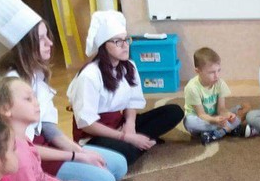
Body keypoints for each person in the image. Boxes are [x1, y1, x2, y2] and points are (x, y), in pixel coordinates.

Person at [0, 0, 127, 181]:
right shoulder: (9, 85)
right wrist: (75, 156)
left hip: (46, 147)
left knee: (118, 165)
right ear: (26, 45)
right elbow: (22, 149)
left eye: (47, 37)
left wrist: (80, 152)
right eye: (42, 39)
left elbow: (49, 128)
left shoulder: (35, 73)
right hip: (25, 159)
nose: (50, 43)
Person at [67, 11, 184, 166]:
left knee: (174, 111)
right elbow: (87, 124)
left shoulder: (129, 66)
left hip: (120, 125)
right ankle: (137, 144)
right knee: (127, 153)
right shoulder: (89, 76)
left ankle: (137, 143)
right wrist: (126, 137)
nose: (125, 45)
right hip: (94, 135)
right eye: (117, 41)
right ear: (103, 46)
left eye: (126, 39)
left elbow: (131, 102)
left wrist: (130, 126)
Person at [183, 46, 243, 145]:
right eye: (211, 72)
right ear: (198, 71)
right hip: (200, 119)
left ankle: (215, 132)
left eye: (218, 70)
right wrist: (214, 120)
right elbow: (201, 114)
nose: (217, 76)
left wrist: (228, 115)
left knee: (236, 116)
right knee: (189, 122)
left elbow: (221, 109)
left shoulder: (220, 83)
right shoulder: (192, 88)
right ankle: (227, 129)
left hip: (215, 116)